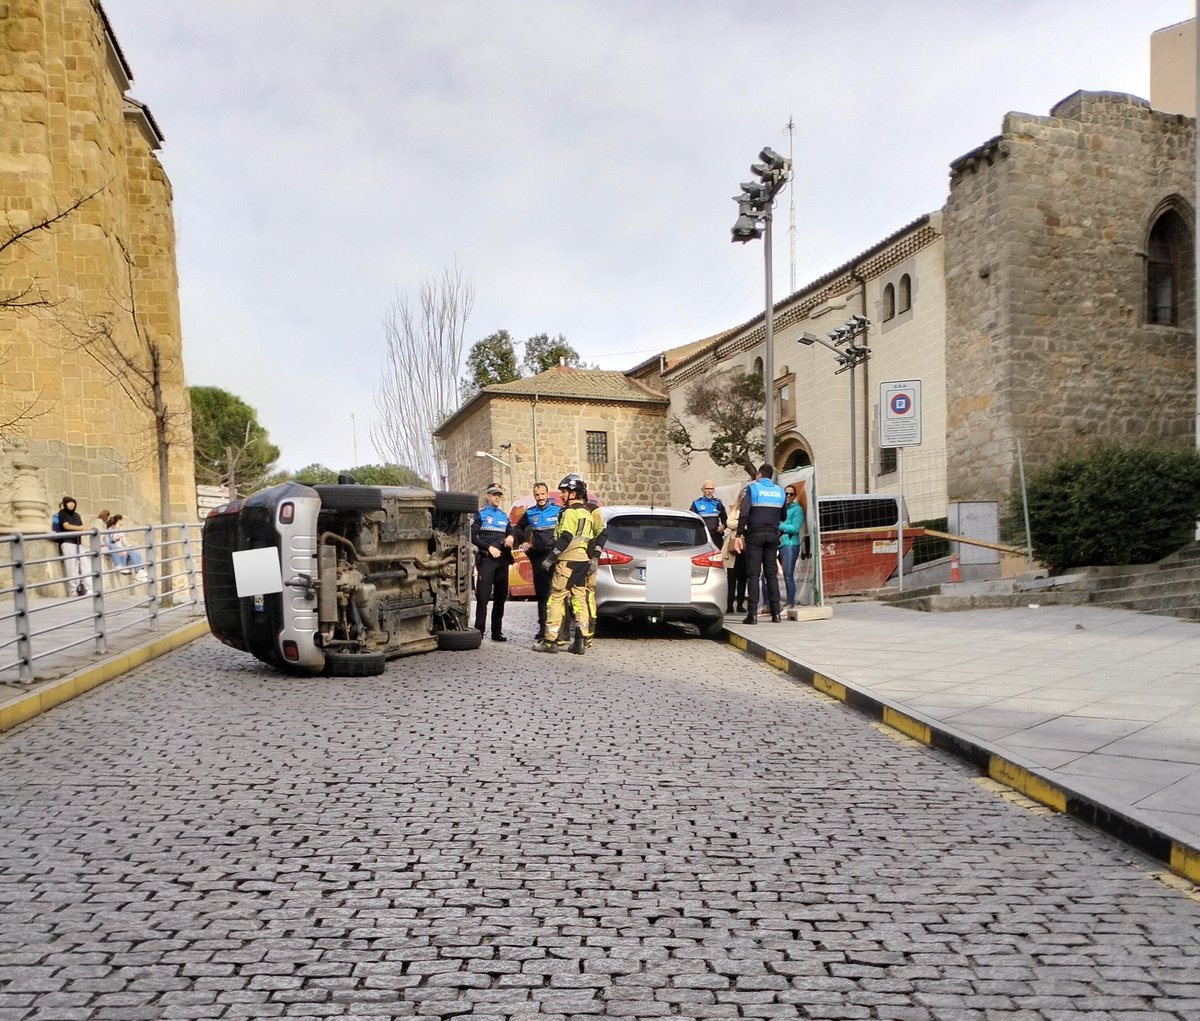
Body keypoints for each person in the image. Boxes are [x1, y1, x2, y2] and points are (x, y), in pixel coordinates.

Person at [536, 474, 600, 655]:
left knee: (556, 598)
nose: (561, 495)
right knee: (580, 600)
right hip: (582, 562)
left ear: (574, 493)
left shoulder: (570, 513)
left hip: (567, 561)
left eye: (564, 492)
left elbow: (565, 537)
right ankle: (580, 641)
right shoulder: (587, 514)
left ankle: (550, 641)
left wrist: (550, 558)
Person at [735, 464, 786, 624]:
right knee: (771, 575)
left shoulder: (752, 489)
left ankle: (752, 615)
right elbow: (783, 516)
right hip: (772, 535)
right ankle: (776, 613)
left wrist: (739, 533)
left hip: (755, 535)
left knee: (753, 575)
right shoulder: (780, 491)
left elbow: (744, 513)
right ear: (771, 476)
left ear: (759, 474)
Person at [514, 481, 561, 642]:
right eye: (537, 494)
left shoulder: (558, 511)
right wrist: (523, 542)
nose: (540, 497)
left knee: (558, 594)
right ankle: (543, 629)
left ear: (547, 494)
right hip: (538, 557)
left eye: (542, 494)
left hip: (555, 556)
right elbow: (516, 528)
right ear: (534, 496)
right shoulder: (530, 512)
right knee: (542, 595)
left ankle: (560, 629)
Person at [471, 482, 516, 641]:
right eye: (494, 494)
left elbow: (511, 533)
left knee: (500, 597)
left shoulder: (505, 516)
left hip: (502, 560)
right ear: (488, 496)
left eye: (499, 495)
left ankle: (497, 632)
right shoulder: (480, 515)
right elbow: (472, 536)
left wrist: (510, 538)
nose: (497, 497)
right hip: (487, 559)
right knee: (483, 597)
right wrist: (488, 548)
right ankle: (479, 631)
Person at [51, 496, 90, 597]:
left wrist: (79, 528)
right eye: (69, 503)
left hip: (78, 542)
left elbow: (82, 527)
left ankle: (87, 587)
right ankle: (73, 590)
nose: (71, 504)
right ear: (65, 504)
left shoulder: (77, 515)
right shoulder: (62, 513)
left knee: (84, 565)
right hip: (67, 542)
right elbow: (66, 526)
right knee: (71, 566)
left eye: (73, 502)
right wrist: (80, 528)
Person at [778, 483, 805, 608]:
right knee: (766, 576)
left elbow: (795, 528)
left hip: (790, 545)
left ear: (794, 496)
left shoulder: (797, 509)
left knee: (788, 575)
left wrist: (778, 526)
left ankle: (790, 603)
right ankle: (768, 605)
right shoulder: (778, 507)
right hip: (776, 544)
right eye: (786, 493)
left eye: (791, 494)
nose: (788, 496)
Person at [722, 487, 748, 614]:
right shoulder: (735, 508)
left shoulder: (752, 508)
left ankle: (740, 604)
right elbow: (729, 523)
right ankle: (729, 605)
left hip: (746, 547)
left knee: (743, 578)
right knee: (731, 578)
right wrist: (742, 522)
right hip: (733, 547)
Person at [106, 514, 146, 580]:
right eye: (122, 520)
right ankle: (138, 571)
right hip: (117, 548)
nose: (123, 522)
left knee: (136, 553)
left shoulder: (120, 529)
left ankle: (139, 571)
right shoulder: (111, 529)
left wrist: (128, 545)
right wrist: (115, 539)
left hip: (122, 547)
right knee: (131, 553)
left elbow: (124, 542)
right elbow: (110, 541)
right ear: (119, 520)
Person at [689, 480, 727, 547]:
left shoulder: (718, 503)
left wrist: (723, 526)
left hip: (716, 536)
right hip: (702, 536)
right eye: (707, 488)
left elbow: (725, 519)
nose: (709, 491)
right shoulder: (696, 503)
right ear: (702, 489)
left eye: (711, 489)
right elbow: (692, 521)